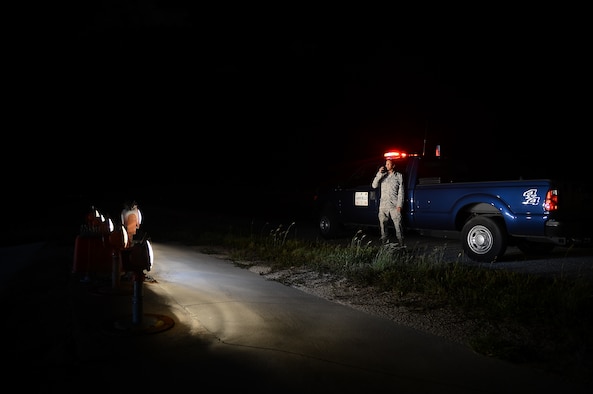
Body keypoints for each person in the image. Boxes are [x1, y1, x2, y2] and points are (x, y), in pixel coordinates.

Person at [371, 158, 405, 246]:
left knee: (398, 226)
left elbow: (401, 191)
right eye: (386, 164)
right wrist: (379, 174)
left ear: (393, 165)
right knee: (383, 225)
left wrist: (399, 205)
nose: (386, 166)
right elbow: (374, 185)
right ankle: (384, 246)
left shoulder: (399, 176)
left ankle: (402, 245)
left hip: (394, 205)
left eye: (389, 164)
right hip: (383, 205)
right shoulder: (383, 176)